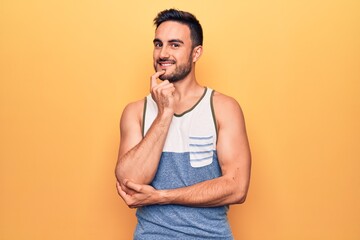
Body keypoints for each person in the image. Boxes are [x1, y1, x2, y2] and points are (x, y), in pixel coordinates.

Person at [115, 8, 251, 240]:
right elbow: (130, 182)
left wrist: (162, 196)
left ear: (196, 53)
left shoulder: (223, 108)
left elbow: (237, 188)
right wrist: (165, 114)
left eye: (175, 45)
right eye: (158, 44)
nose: (163, 53)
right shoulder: (136, 112)